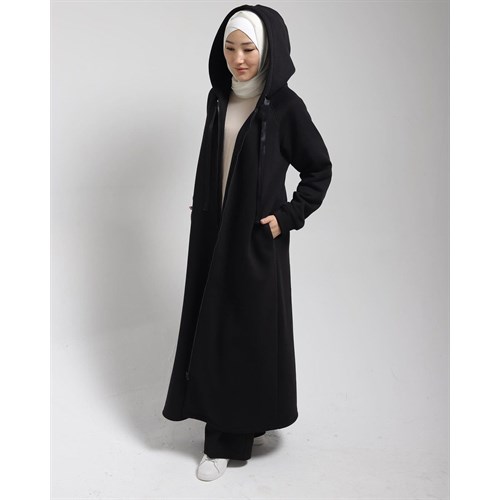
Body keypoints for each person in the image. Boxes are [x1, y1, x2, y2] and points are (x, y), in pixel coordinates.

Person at [161, 4, 333, 481]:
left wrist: (287, 217)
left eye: (249, 49)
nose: (239, 59)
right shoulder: (218, 99)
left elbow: (318, 168)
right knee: (217, 325)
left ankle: (226, 440)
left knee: (246, 332)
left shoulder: (285, 107)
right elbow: (215, 162)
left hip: (256, 238)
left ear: (268, 50)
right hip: (213, 232)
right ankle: (237, 425)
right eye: (230, 48)